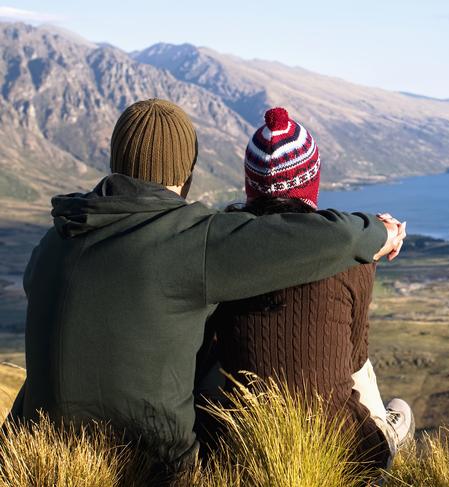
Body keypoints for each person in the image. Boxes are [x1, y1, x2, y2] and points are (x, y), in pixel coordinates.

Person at [7, 99, 406, 475]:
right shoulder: (186, 241)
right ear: (186, 174)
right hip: (153, 467)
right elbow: (327, 239)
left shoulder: (54, 242)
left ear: (114, 164)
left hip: (40, 455)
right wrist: (379, 232)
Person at [195, 107, 414, 471]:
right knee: (370, 375)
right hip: (346, 454)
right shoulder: (351, 257)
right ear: (310, 181)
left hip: (245, 447)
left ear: (251, 185)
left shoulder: (222, 253)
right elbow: (354, 358)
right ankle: (386, 438)